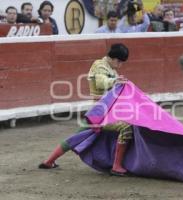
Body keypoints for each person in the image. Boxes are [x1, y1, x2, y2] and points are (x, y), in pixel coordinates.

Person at [39, 43, 132, 176]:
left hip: (103, 112)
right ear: (112, 58)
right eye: (119, 61)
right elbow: (101, 82)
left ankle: (49, 161)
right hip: (99, 114)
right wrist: (115, 81)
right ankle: (116, 166)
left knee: (77, 136)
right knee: (126, 128)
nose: (120, 65)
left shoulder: (111, 69)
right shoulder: (99, 65)